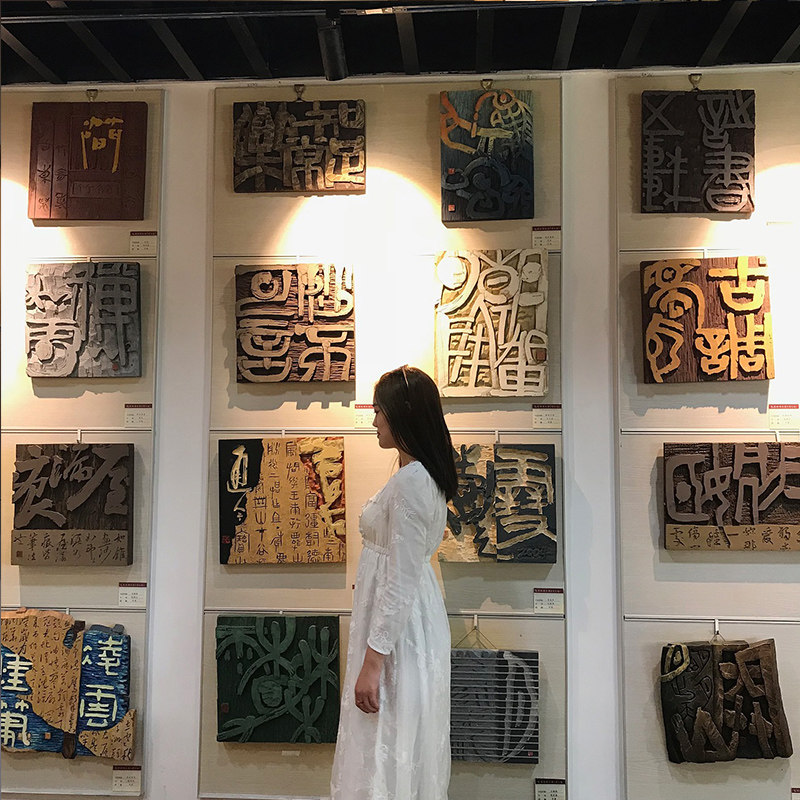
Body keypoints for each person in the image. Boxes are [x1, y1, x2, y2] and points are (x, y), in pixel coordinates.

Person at [330, 365, 458, 800]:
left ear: (402, 414)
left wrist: (372, 663)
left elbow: (400, 582)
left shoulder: (411, 482)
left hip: (396, 638)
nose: (374, 421)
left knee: (386, 743)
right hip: (402, 629)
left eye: (379, 411)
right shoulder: (418, 476)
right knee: (394, 744)